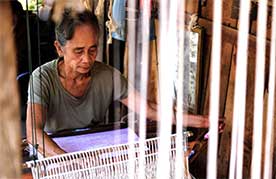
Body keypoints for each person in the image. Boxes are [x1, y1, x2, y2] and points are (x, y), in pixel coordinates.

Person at [26, 8, 210, 157]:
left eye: (92, 50)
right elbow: (33, 131)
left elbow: (150, 110)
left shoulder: (107, 76)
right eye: (78, 51)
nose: (86, 59)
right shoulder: (42, 78)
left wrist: (203, 121)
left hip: (91, 148)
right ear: (59, 48)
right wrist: (66, 159)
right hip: (53, 149)